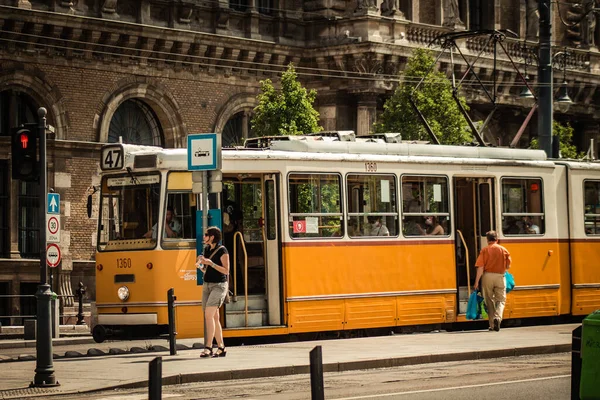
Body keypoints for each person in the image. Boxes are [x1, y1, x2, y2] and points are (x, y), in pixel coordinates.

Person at [196, 226, 229, 358]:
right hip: (207, 285)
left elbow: (226, 271)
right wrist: (201, 265)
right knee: (214, 317)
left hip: (219, 286)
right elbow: (207, 269)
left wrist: (211, 263)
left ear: (212, 237)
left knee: (209, 315)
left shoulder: (222, 250)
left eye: (206, 235)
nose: (203, 237)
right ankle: (221, 347)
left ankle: (208, 347)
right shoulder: (206, 249)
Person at [474, 230, 512, 332]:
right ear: (497, 239)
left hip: (487, 276)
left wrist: (476, 282)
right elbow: (508, 266)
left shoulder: (485, 250)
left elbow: (480, 267)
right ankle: (497, 317)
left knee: (489, 300)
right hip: (500, 276)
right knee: (501, 300)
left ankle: (492, 325)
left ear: (487, 240)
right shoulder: (504, 250)